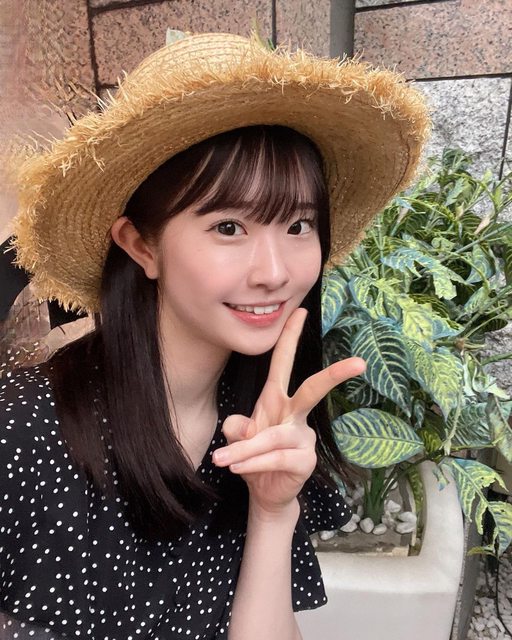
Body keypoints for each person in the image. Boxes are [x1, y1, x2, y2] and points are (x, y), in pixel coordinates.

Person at [0, 31, 430, 640]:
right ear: (141, 245)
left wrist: (273, 512)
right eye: (229, 226)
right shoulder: (24, 438)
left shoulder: (258, 423)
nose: (275, 272)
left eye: (298, 225)